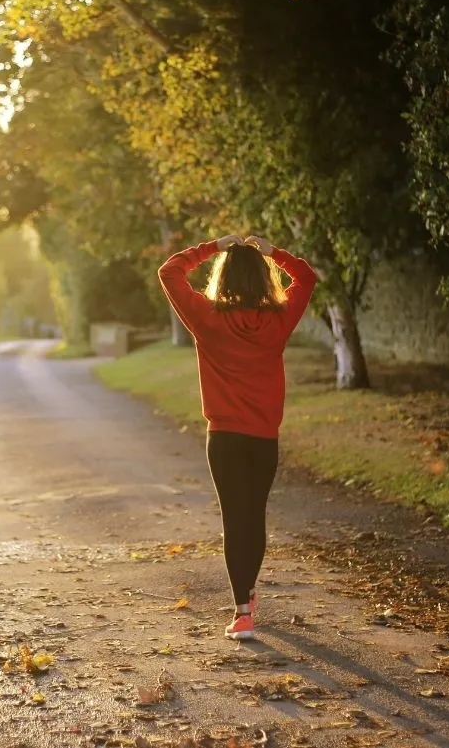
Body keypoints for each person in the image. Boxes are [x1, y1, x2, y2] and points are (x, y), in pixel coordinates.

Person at [158, 234, 319, 641]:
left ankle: (243, 612)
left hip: (224, 439)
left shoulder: (207, 317)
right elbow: (307, 277)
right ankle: (247, 594)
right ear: (264, 279)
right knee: (255, 516)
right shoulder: (279, 320)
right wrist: (273, 252)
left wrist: (213, 246)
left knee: (235, 519)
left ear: (223, 278)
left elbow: (169, 271)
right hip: (264, 438)